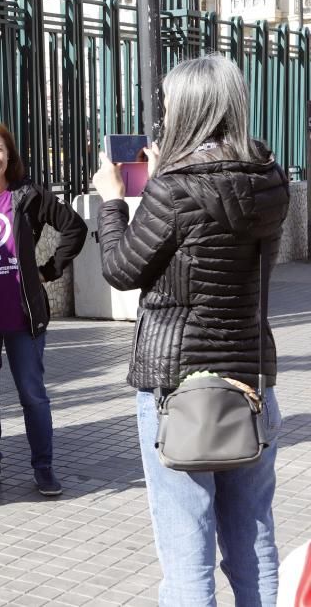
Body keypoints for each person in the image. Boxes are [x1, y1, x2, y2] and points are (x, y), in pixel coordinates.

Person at [92, 54, 289, 605]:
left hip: (176, 386)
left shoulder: (172, 189)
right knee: (254, 544)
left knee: (187, 554)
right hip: (251, 377)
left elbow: (122, 269)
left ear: (186, 110)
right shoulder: (269, 179)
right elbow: (217, 215)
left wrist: (113, 202)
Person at [0, 121, 86, 497]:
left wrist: (48, 271)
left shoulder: (28, 195)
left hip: (24, 317)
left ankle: (44, 467)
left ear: (9, 156)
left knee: (33, 394)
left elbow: (73, 227)